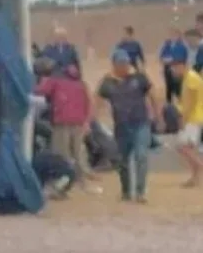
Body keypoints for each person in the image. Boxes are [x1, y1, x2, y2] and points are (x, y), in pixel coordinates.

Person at [94, 48, 160, 203]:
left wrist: (158, 115)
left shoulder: (139, 78)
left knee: (141, 156)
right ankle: (125, 191)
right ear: (114, 65)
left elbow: (153, 94)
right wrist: (93, 119)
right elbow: (97, 100)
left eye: (126, 63)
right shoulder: (108, 82)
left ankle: (140, 191)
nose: (124, 66)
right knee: (122, 160)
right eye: (120, 63)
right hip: (121, 126)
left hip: (140, 123)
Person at [35, 64, 100, 192]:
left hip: (62, 122)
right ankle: (81, 182)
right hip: (78, 122)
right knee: (78, 154)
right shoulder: (82, 84)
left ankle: (62, 182)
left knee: (61, 154)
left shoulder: (55, 81)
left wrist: (42, 82)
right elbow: (90, 103)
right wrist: (87, 122)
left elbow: (40, 91)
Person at [169, 47, 203, 188]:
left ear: (183, 66)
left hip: (193, 118)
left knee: (182, 146)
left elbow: (191, 102)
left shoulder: (191, 79)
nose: (174, 71)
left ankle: (200, 167)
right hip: (194, 117)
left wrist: (183, 119)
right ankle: (195, 178)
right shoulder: (189, 78)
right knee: (189, 147)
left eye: (176, 68)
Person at [159, 26, 187, 104]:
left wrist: (171, 60)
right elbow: (161, 57)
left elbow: (180, 59)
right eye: (171, 35)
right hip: (167, 69)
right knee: (169, 87)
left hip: (178, 70)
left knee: (178, 89)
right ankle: (169, 105)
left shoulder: (182, 46)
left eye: (175, 35)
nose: (173, 36)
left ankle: (181, 105)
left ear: (179, 36)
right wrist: (167, 60)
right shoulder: (166, 45)